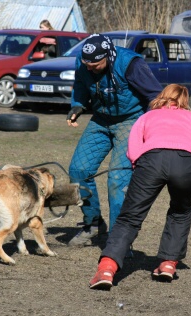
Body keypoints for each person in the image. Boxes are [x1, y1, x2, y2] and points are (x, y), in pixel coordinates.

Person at [88, 84, 191, 290]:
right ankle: (168, 264)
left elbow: (133, 144)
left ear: (161, 97)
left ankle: (106, 269)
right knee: (180, 212)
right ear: (185, 102)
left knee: (130, 217)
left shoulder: (147, 117)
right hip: (187, 163)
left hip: (152, 160)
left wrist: (138, 164)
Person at [66, 34, 163, 246]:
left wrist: (149, 127)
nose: (90, 68)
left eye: (96, 64)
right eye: (87, 64)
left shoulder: (131, 64)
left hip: (131, 120)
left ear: (109, 56)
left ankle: (119, 240)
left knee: (118, 180)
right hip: (101, 119)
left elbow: (155, 96)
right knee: (78, 170)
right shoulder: (84, 63)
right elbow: (81, 84)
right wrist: (78, 105)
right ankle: (93, 224)